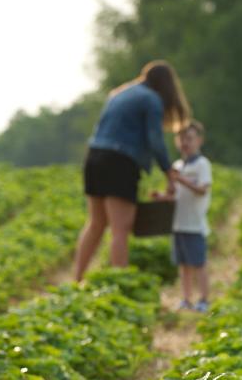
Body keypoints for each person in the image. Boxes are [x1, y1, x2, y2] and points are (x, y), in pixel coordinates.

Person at [72, 60, 192, 281]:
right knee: (121, 228)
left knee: (96, 223)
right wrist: (169, 173)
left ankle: (76, 280)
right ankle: (121, 284)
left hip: (94, 157)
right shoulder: (152, 100)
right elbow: (155, 141)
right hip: (119, 162)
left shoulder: (120, 93)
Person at [168, 121, 213, 312]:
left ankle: (203, 300)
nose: (185, 142)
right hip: (178, 224)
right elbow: (173, 193)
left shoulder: (202, 164)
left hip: (195, 224)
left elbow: (202, 189)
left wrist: (181, 179)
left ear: (199, 141)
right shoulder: (177, 165)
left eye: (190, 138)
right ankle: (186, 299)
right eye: (181, 139)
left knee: (198, 264)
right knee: (184, 265)